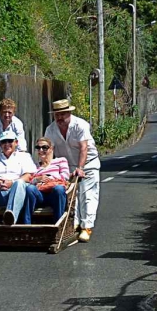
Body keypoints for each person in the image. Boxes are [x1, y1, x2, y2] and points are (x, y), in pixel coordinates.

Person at [43, 97, 101, 243]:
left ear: (69, 113)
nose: (60, 117)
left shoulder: (80, 125)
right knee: (71, 196)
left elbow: (84, 148)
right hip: (67, 166)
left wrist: (81, 168)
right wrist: (48, 169)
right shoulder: (51, 129)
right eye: (57, 114)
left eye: (63, 114)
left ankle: (86, 227)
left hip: (88, 163)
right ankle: (73, 224)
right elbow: (49, 151)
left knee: (87, 195)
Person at [27, 137, 70, 223]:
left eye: (44, 147)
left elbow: (65, 177)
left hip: (53, 193)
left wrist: (50, 179)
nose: (41, 150)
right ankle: (26, 225)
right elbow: (30, 181)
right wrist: (38, 179)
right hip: (40, 194)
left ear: (51, 149)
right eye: (38, 148)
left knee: (59, 189)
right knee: (30, 189)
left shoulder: (60, 161)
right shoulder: (34, 166)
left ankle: (58, 225)